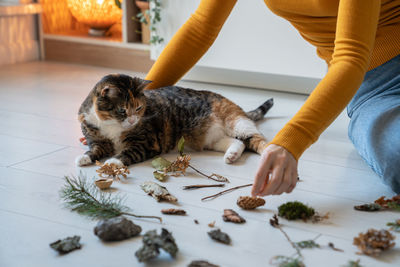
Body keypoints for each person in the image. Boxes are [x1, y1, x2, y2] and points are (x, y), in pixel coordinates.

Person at [143, 0, 400, 195]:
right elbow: (200, 28)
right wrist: (141, 99)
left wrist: (291, 141)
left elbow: (351, 56)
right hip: (380, 86)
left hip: (361, 63)